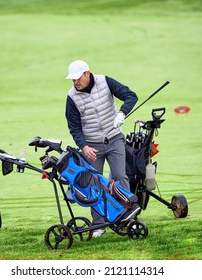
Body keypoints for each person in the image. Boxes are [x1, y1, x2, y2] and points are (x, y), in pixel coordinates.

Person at [65, 59, 140, 237]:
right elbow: (74, 127)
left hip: (114, 139)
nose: (75, 82)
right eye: (72, 79)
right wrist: (83, 147)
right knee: (93, 185)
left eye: (78, 78)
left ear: (87, 73)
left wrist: (122, 113)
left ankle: (127, 218)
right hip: (92, 147)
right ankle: (99, 225)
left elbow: (131, 95)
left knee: (121, 176)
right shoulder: (72, 98)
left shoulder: (105, 81)